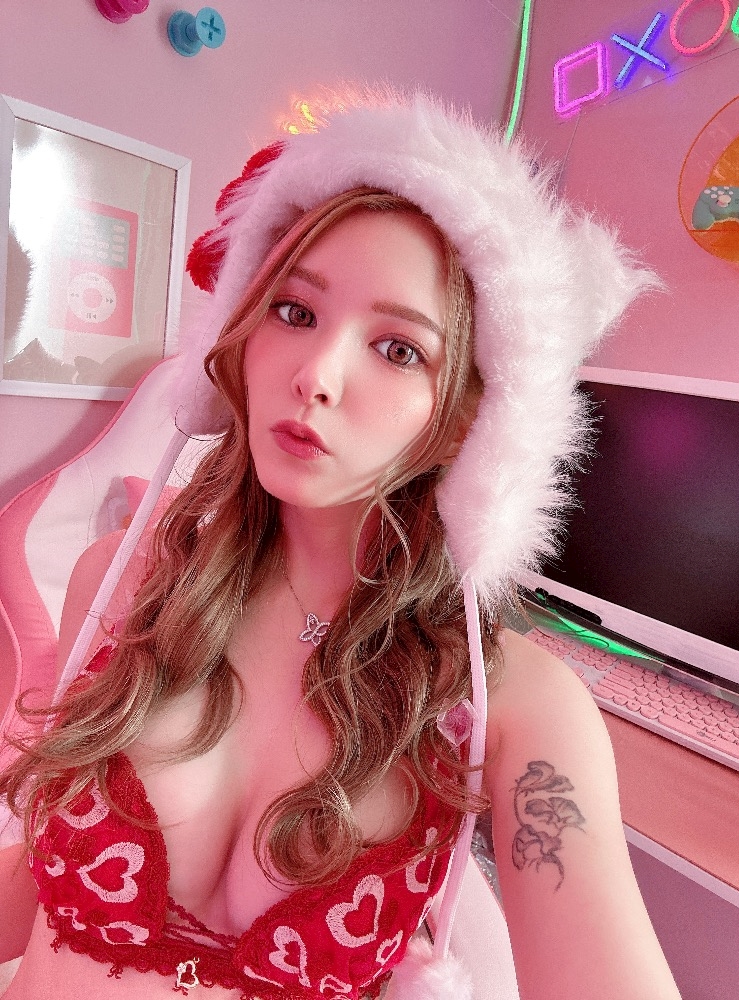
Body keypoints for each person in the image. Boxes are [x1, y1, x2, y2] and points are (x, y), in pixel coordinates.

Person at [0, 89, 681, 1000]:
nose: (317, 375)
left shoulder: (515, 709)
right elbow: (41, 884)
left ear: (471, 418)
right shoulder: (123, 583)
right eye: (294, 312)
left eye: (399, 350)